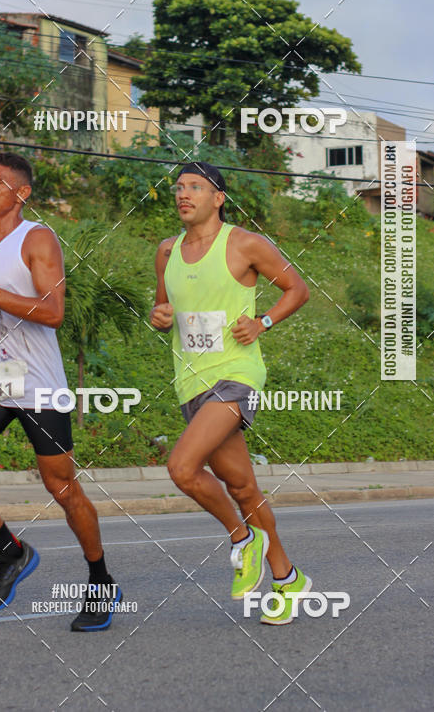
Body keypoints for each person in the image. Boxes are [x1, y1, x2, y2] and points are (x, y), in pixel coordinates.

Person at [0, 152, 121, 631]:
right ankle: (10, 551)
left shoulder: (37, 238)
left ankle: (100, 578)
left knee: (61, 487)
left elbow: (52, 309)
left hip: (39, 381)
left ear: (21, 193)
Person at [150, 161, 311, 625]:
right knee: (243, 486)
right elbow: (163, 308)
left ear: (218, 198)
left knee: (182, 468)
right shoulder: (166, 251)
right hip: (191, 381)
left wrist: (262, 322)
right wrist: (159, 316)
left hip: (236, 374)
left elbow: (296, 289)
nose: (184, 194)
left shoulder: (244, 243)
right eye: (179, 187)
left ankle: (243, 540)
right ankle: (287, 579)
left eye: (196, 187)